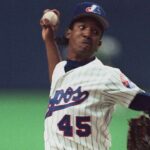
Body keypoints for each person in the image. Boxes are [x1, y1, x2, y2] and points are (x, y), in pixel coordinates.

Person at [40, 2, 150, 150]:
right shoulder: (61, 70)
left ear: (99, 43)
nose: (87, 33)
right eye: (82, 27)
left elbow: (145, 101)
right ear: (68, 33)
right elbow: (57, 76)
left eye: (95, 32)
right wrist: (49, 39)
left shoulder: (107, 76)